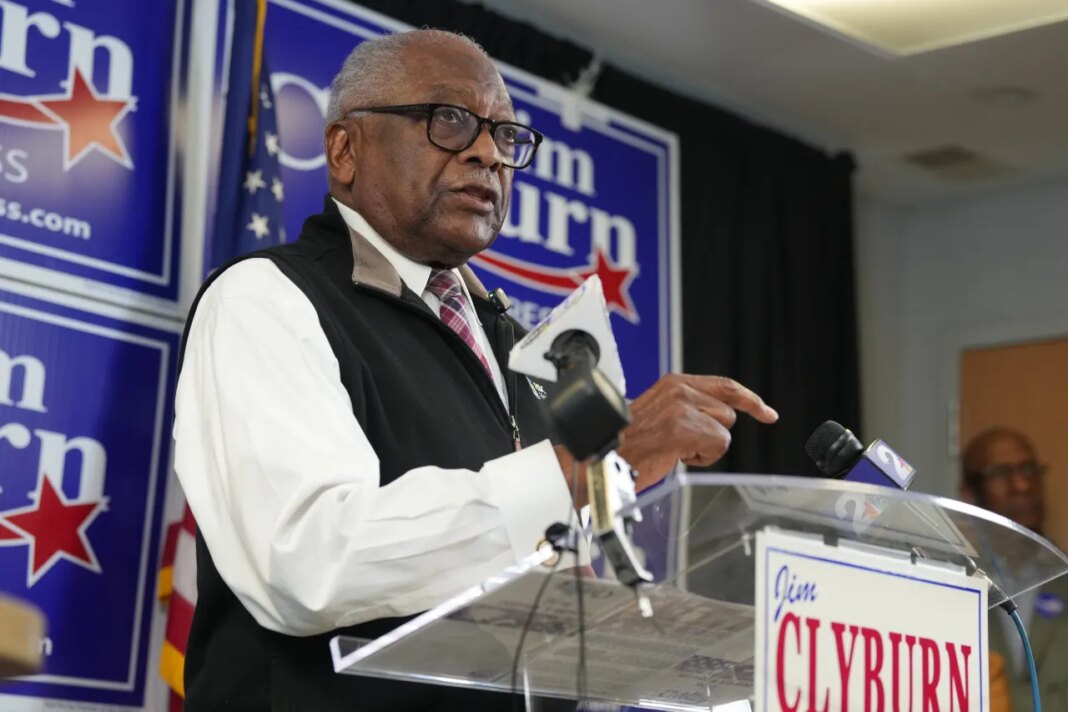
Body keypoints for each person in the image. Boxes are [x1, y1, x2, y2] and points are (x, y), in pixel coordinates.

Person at [173, 29, 777, 710]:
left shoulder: (540, 354)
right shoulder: (268, 298)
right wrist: (582, 468)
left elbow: (581, 597)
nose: (489, 153)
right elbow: (306, 561)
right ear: (345, 149)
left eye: (504, 135)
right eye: (450, 120)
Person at [961, 427, 1068, 712]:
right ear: (969, 494)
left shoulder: (1064, 578)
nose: (1022, 485)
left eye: (1029, 469)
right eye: (1000, 473)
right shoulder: (955, 586)